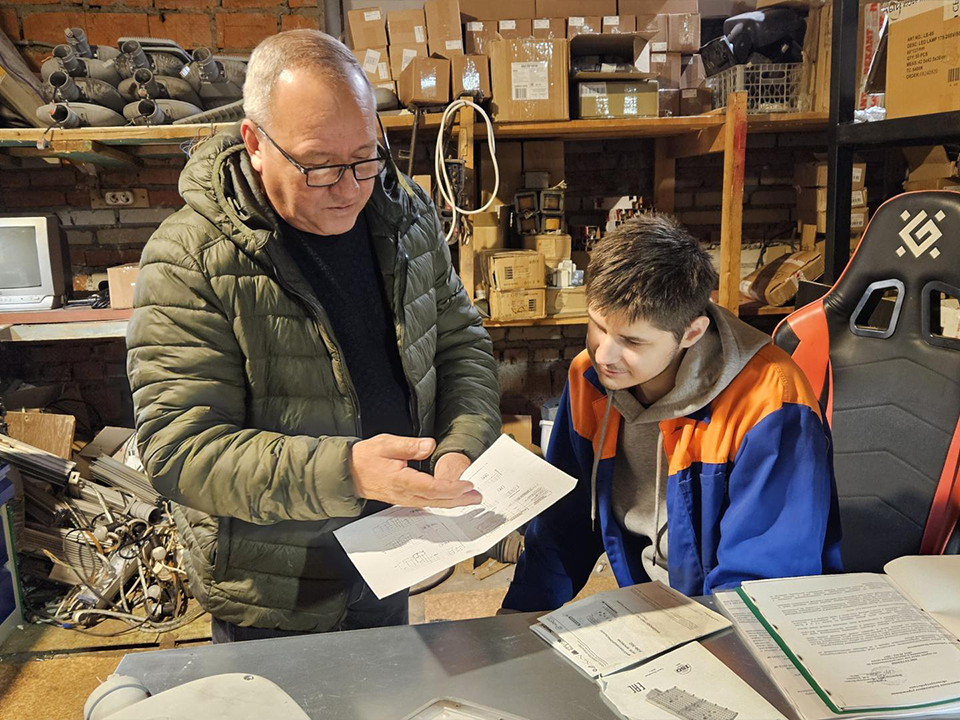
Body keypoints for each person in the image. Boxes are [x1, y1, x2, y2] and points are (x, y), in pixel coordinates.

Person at [127, 30, 500, 641]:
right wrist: (347, 472)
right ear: (254, 143)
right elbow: (179, 451)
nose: (351, 188)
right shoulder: (189, 261)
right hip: (276, 591)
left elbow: (460, 342)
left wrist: (460, 442)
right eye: (320, 166)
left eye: (365, 157)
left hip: (393, 555)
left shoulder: (402, 213)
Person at [502, 214, 842, 611]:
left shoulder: (770, 401)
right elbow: (564, 525)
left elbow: (763, 585)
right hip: (652, 608)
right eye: (597, 326)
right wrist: (516, 618)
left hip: (744, 621)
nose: (603, 354)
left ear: (692, 333)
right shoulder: (589, 378)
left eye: (631, 340)